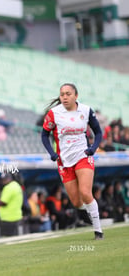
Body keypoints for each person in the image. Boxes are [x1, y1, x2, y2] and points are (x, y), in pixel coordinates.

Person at [41, 83, 104, 240]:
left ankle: (98, 231)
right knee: (76, 202)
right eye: (62, 94)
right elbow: (44, 135)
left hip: (83, 156)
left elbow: (98, 132)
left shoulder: (86, 110)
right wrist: (52, 153)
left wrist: (93, 149)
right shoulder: (53, 113)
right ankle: (92, 209)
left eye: (68, 94)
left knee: (85, 192)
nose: (65, 97)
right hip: (64, 161)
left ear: (76, 96)